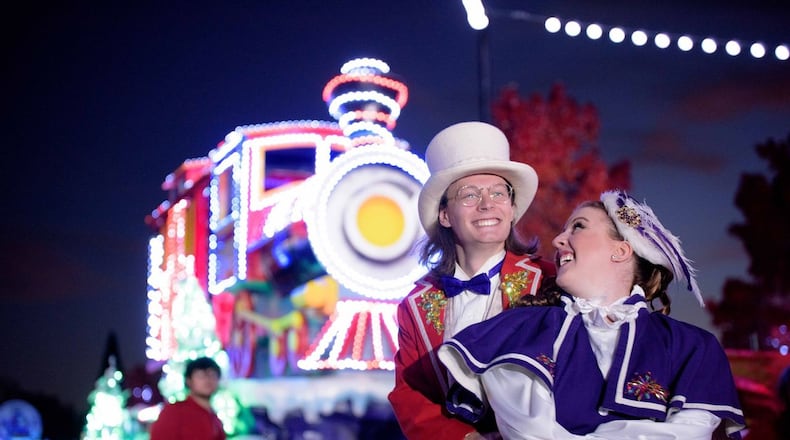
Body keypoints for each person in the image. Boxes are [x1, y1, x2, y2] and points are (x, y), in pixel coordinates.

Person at [438, 189, 746, 439]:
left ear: (622, 250)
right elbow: (529, 433)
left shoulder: (692, 346)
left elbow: (687, 435)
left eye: (579, 226)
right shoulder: (517, 333)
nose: (558, 241)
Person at [388, 121, 555, 439]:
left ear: (511, 208)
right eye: (469, 195)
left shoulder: (550, 282)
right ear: (445, 216)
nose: (487, 204)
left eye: (498, 193)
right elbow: (409, 394)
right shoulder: (415, 305)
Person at [150, 356, 226, 440]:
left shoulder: (214, 417)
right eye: (201, 375)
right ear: (189, 381)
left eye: (212, 375)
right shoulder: (174, 412)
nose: (207, 379)